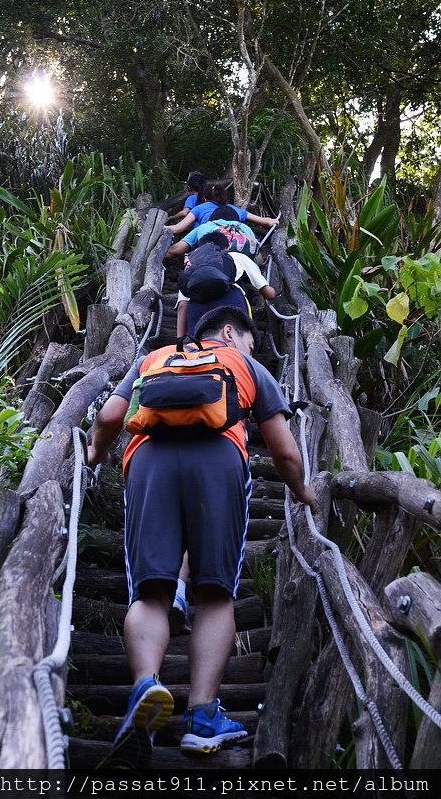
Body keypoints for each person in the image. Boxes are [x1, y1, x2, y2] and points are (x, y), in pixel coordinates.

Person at [87, 306, 317, 765]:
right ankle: (202, 717)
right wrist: (302, 491)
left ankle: (145, 688)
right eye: (250, 341)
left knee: (151, 591)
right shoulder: (245, 364)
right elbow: (285, 451)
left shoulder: (155, 357)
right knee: (214, 594)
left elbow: (112, 415)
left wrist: (96, 450)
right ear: (231, 333)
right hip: (217, 462)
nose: (251, 348)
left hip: (148, 462)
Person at [168, 183, 279, 235]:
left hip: (208, 239)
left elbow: (177, 229)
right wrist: (274, 220)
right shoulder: (234, 209)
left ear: (205, 198)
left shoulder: (199, 208)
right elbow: (265, 222)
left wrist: (162, 226)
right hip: (234, 238)